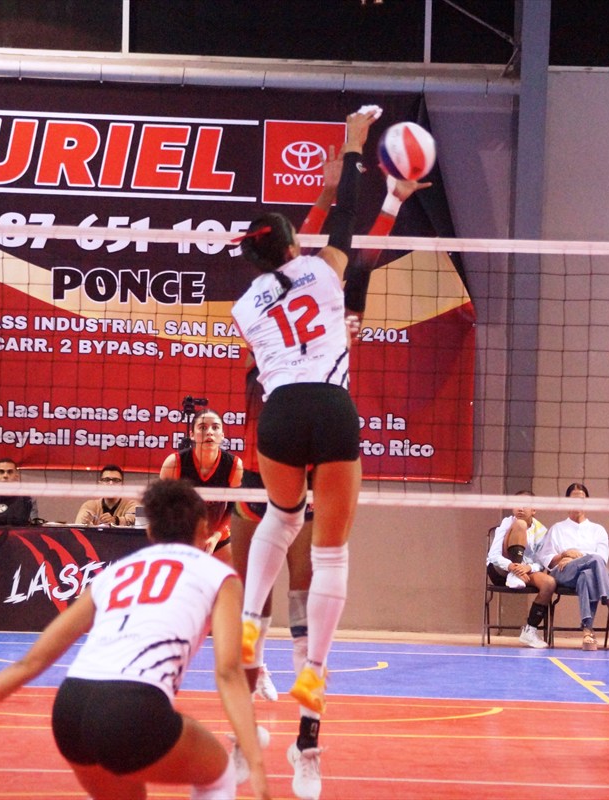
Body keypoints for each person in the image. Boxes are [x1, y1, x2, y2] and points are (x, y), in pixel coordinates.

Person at [0, 479, 269, 800]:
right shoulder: (219, 575)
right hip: (133, 710)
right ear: (205, 528)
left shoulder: (117, 573)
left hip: (71, 712)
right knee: (218, 775)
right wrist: (254, 762)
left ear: (150, 531)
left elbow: (29, 663)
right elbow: (228, 673)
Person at [230, 106, 379, 726]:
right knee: (331, 551)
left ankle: (249, 624)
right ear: (294, 247)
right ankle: (313, 669)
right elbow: (346, 220)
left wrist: (313, 204)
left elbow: (282, 265)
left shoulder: (244, 306)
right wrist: (352, 147)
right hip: (331, 406)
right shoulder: (322, 270)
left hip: (281, 412)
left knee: (282, 516)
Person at [545, 482, 609, 651]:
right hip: (562, 573)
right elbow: (547, 560)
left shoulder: (598, 530)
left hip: (586, 574)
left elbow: (601, 560)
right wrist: (564, 555)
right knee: (592, 560)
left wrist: (575, 558)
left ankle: (588, 632)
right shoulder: (557, 529)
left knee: (586, 576)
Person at [160, 411, 244, 563]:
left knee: (233, 572)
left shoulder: (234, 466)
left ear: (222, 435)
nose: (209, 432)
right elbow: (161, 506)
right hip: (182, 538)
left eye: (215, 427)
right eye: (203, 427)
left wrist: (217, 535)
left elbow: (236, 507)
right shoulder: (174, 463)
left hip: (218, 537)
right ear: (192, 435)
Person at [486, 490, 557, 649]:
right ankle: (514, 575)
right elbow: (493, 555)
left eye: (525, 505)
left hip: (525, 572)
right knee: (520, 524)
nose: (520, 508)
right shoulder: (507, 523)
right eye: (517, 504)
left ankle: (530, 631)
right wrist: (511, 566)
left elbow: (541, 562)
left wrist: (527, 567)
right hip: (501, 570)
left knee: (549, 583)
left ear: (534, 509)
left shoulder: (542, 531)